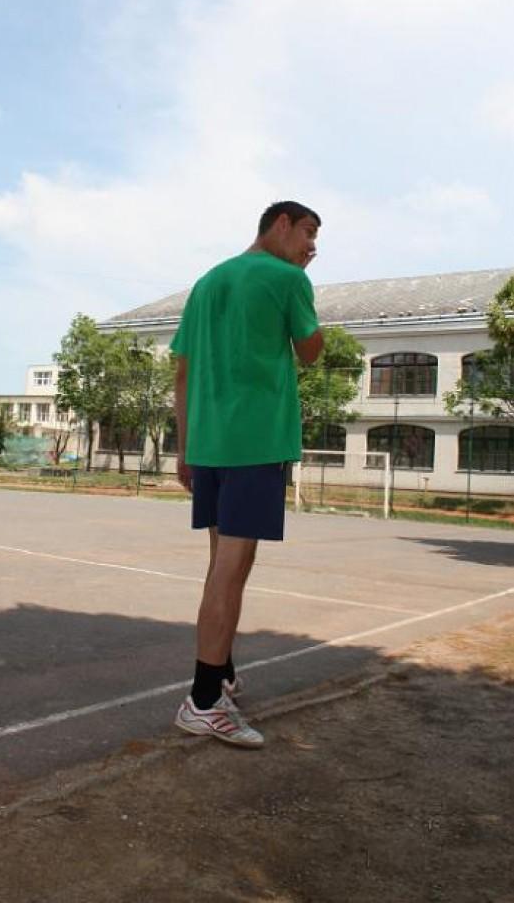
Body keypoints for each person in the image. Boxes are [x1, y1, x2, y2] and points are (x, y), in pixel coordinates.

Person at [170, 200, 323, 748]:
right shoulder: (288, 279)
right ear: (280, 224)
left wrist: (184, 450)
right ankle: (203, 700)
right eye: (308, 233)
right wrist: (303, 289)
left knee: (221, 566)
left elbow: (182, 373)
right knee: (232, 570)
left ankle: (223, 673)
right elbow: (311, 352)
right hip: (254, 442)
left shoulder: (207, 282)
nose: (311, 247)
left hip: (209, 445)